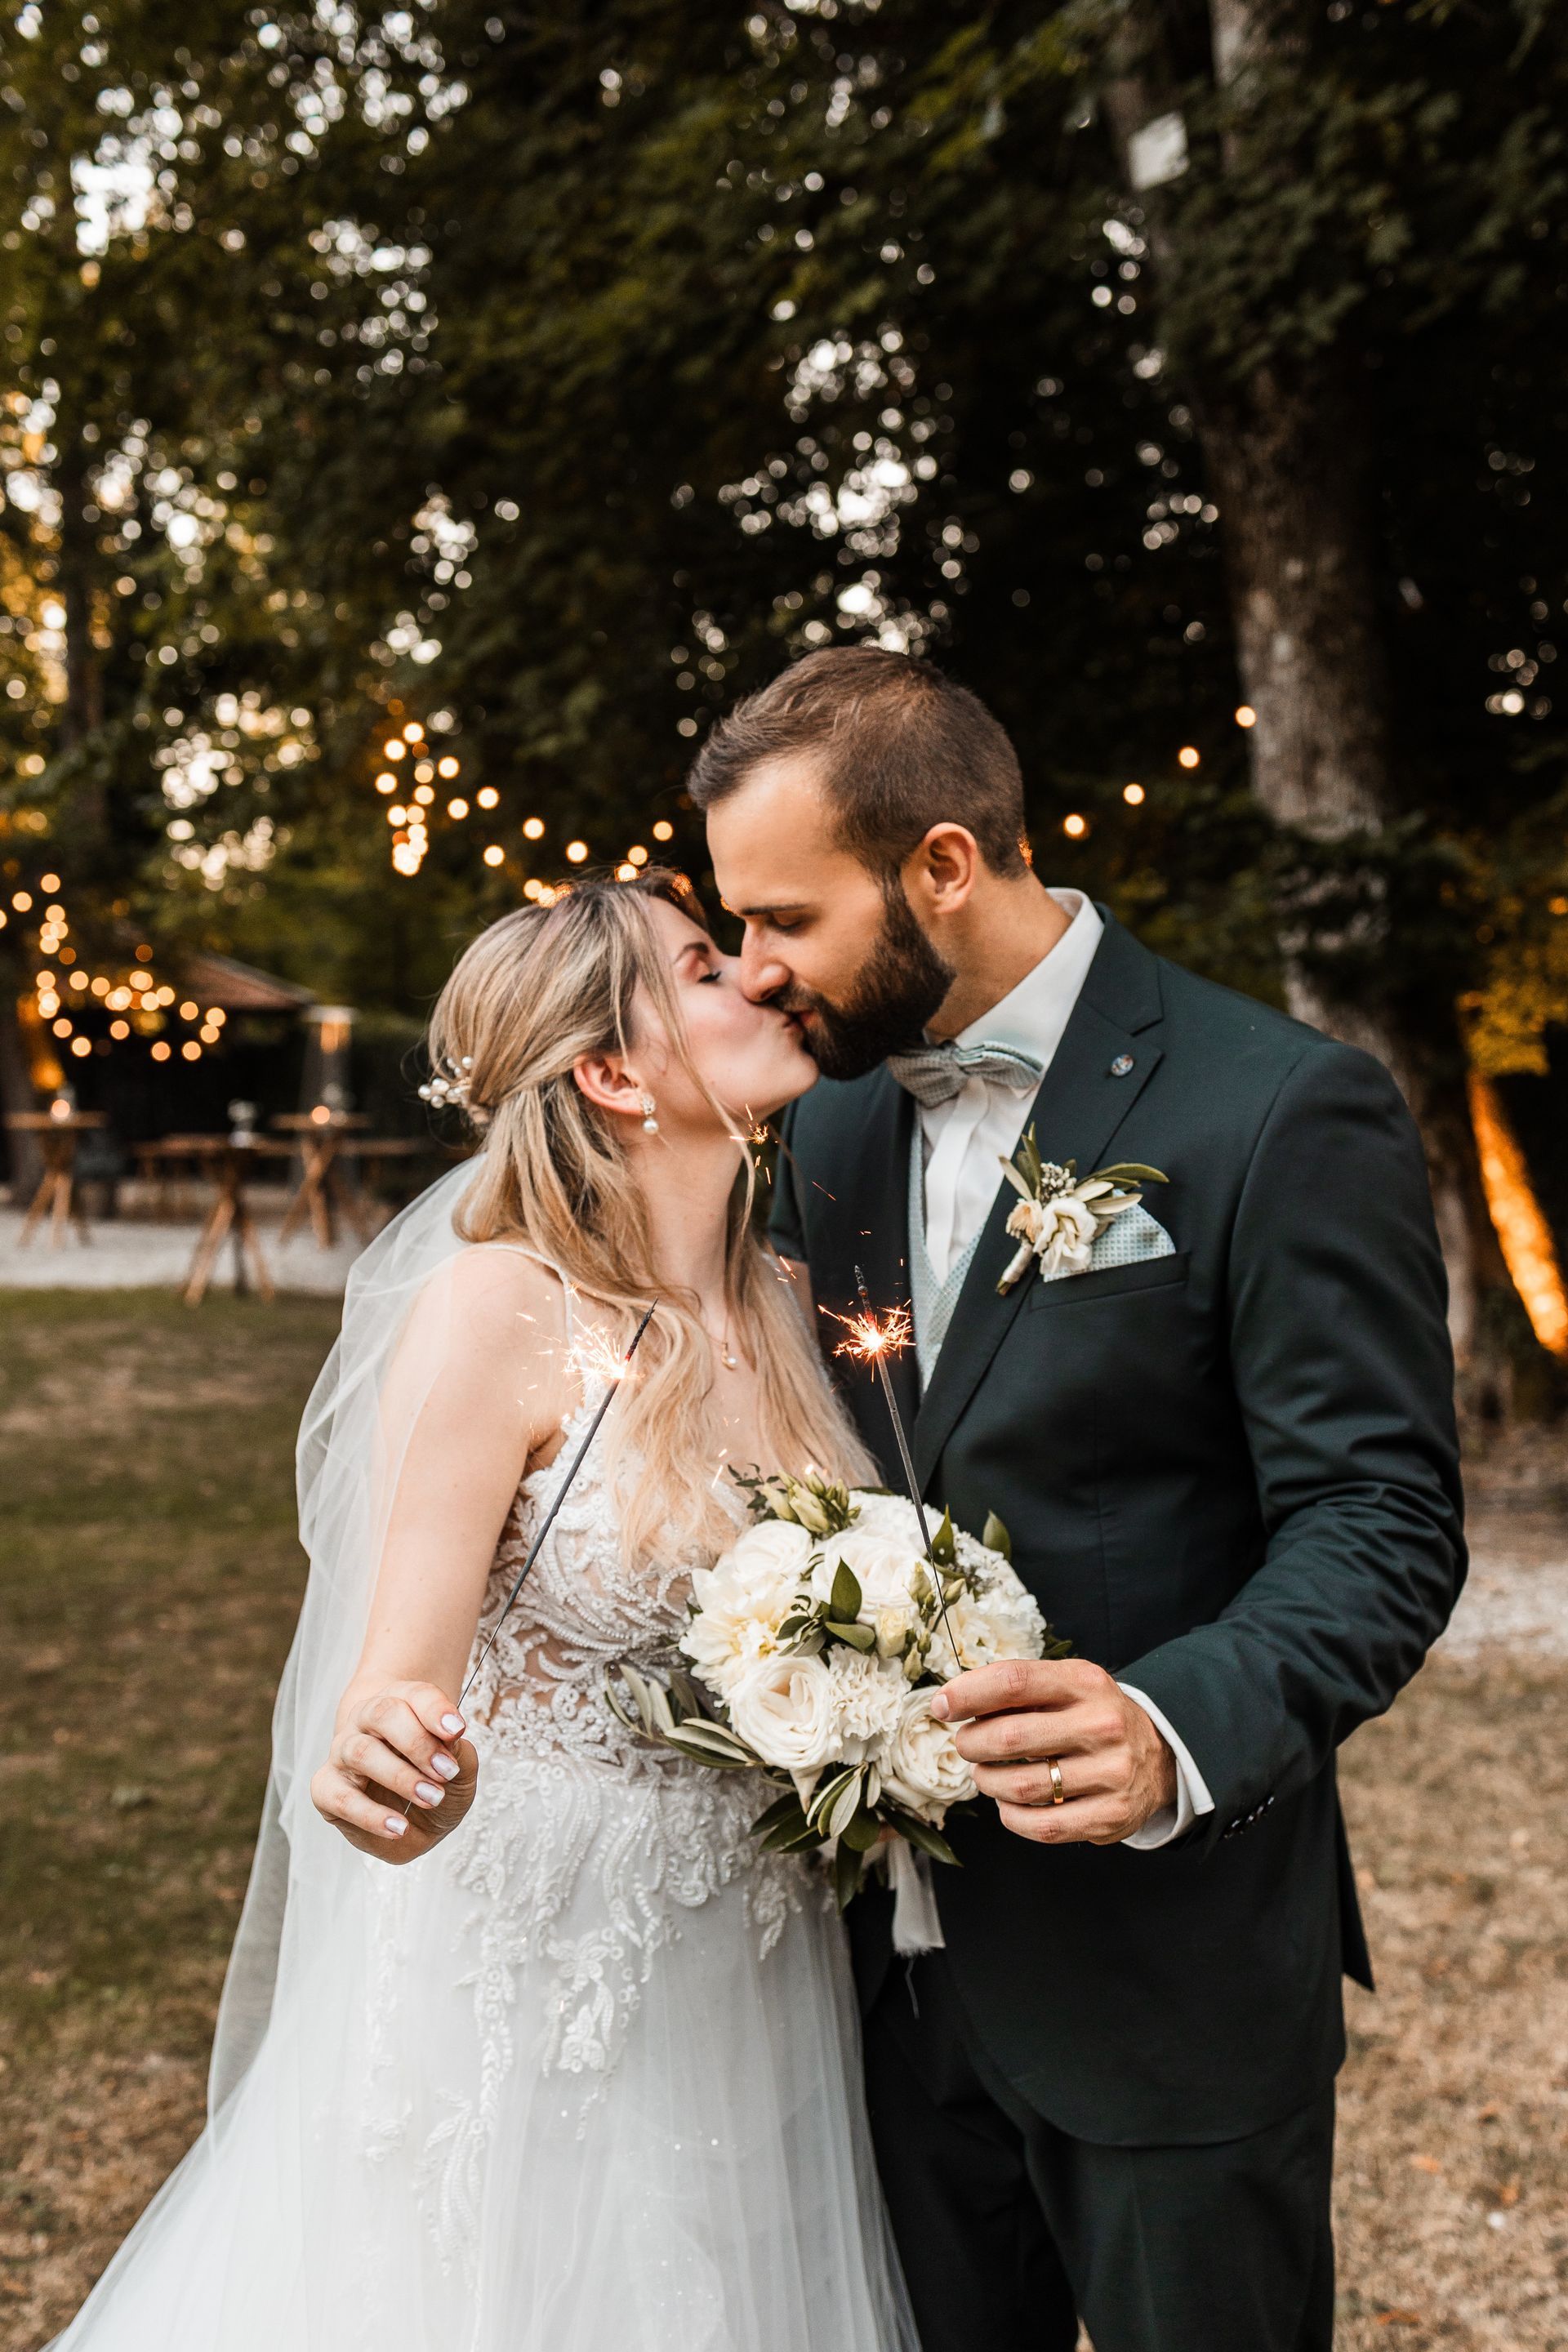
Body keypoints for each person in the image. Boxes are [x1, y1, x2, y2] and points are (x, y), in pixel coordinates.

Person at [693, 644, 1467, 2352]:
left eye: (784, 922)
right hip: (882, 1992)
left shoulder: (1276, 1109)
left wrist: (1168, 1728)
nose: (753, 974)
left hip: (1163, 1981)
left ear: (943, 869)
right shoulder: (827, 1135)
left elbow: (1382, 1522)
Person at [49, 872, 915, 2352]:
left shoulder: (781, 1302)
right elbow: (394, 1679)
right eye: (706, 967)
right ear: (610, 1071)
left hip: (747, 1962)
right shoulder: (501, 1307)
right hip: (528, 1969)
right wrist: (381, 1759)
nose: (762, 980)